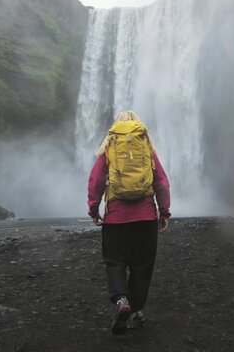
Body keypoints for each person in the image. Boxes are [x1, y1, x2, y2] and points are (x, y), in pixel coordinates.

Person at [87, 110, 171, 335]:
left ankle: (122, 300)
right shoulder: (147, 149)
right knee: (142, 267)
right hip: (145, 219)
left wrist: (94, 209)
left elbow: (96, 181)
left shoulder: (109, 148)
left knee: (114, 261)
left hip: (115, 219)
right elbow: (161, 182)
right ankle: (135, 310)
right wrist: (164, 213)